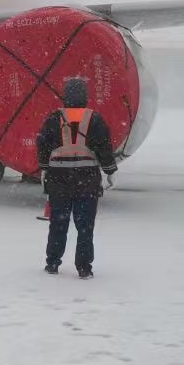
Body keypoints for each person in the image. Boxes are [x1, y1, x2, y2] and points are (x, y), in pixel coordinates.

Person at [35, 77, 118, 279]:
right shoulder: (95, 119)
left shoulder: (54, 118)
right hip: (87, 181)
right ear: (85, 97)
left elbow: (43, 143)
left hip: (59, 180)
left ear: (65, 96)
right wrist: (110, 170)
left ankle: (52, 263)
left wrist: (44, 168)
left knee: (58, 223)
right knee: (85, 226)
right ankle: (84, 267)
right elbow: (104, 147)